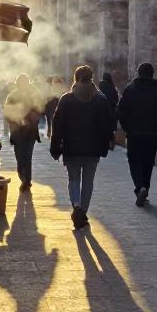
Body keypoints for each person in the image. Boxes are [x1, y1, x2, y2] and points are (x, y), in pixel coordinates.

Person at [50, 65, 113, 229]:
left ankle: (76, 206)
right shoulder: (100, 99)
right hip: (93, 149)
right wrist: (106, 143)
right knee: (88, 181)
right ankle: (82, 211)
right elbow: (106, 124)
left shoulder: (66, 99)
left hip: (71, 148)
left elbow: (58, 126)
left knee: (73, 180)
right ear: (91, 78)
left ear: (75, 78)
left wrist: (55, 147)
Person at [117, 61, 157, 207]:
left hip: (134, 133)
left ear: (138, 73)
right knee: (148, 162)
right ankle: (145, 189)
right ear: (152, 74)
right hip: (151, 134)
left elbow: (122, 112)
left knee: (135, 162)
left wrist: (127, 128)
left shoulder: (130, 89)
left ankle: (140, 188)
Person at [3, 74, 43, 191]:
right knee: (22, 156)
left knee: (25, 156)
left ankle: (26, 180)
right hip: (18, 131)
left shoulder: (35, 93)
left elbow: (41, 108)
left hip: (28, 130)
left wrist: (32, 117)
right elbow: (7, 112)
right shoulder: (13, 96)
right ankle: (25, 178)